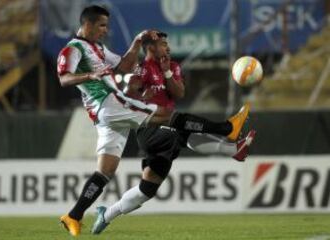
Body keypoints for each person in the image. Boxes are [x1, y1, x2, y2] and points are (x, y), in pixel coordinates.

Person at [57, 5, 250, 237]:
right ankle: (228, 129)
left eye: (106, 25)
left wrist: (137, 41)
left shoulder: (97, 48)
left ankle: (74, 215)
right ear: (87, 24)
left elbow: (122, 66)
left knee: (106, 171)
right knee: (165, 115)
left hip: (106, 116)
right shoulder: (73, 49)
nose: (105, 30)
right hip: (108, 103)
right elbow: (64, 78)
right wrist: (90, 75)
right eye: (102, 25)